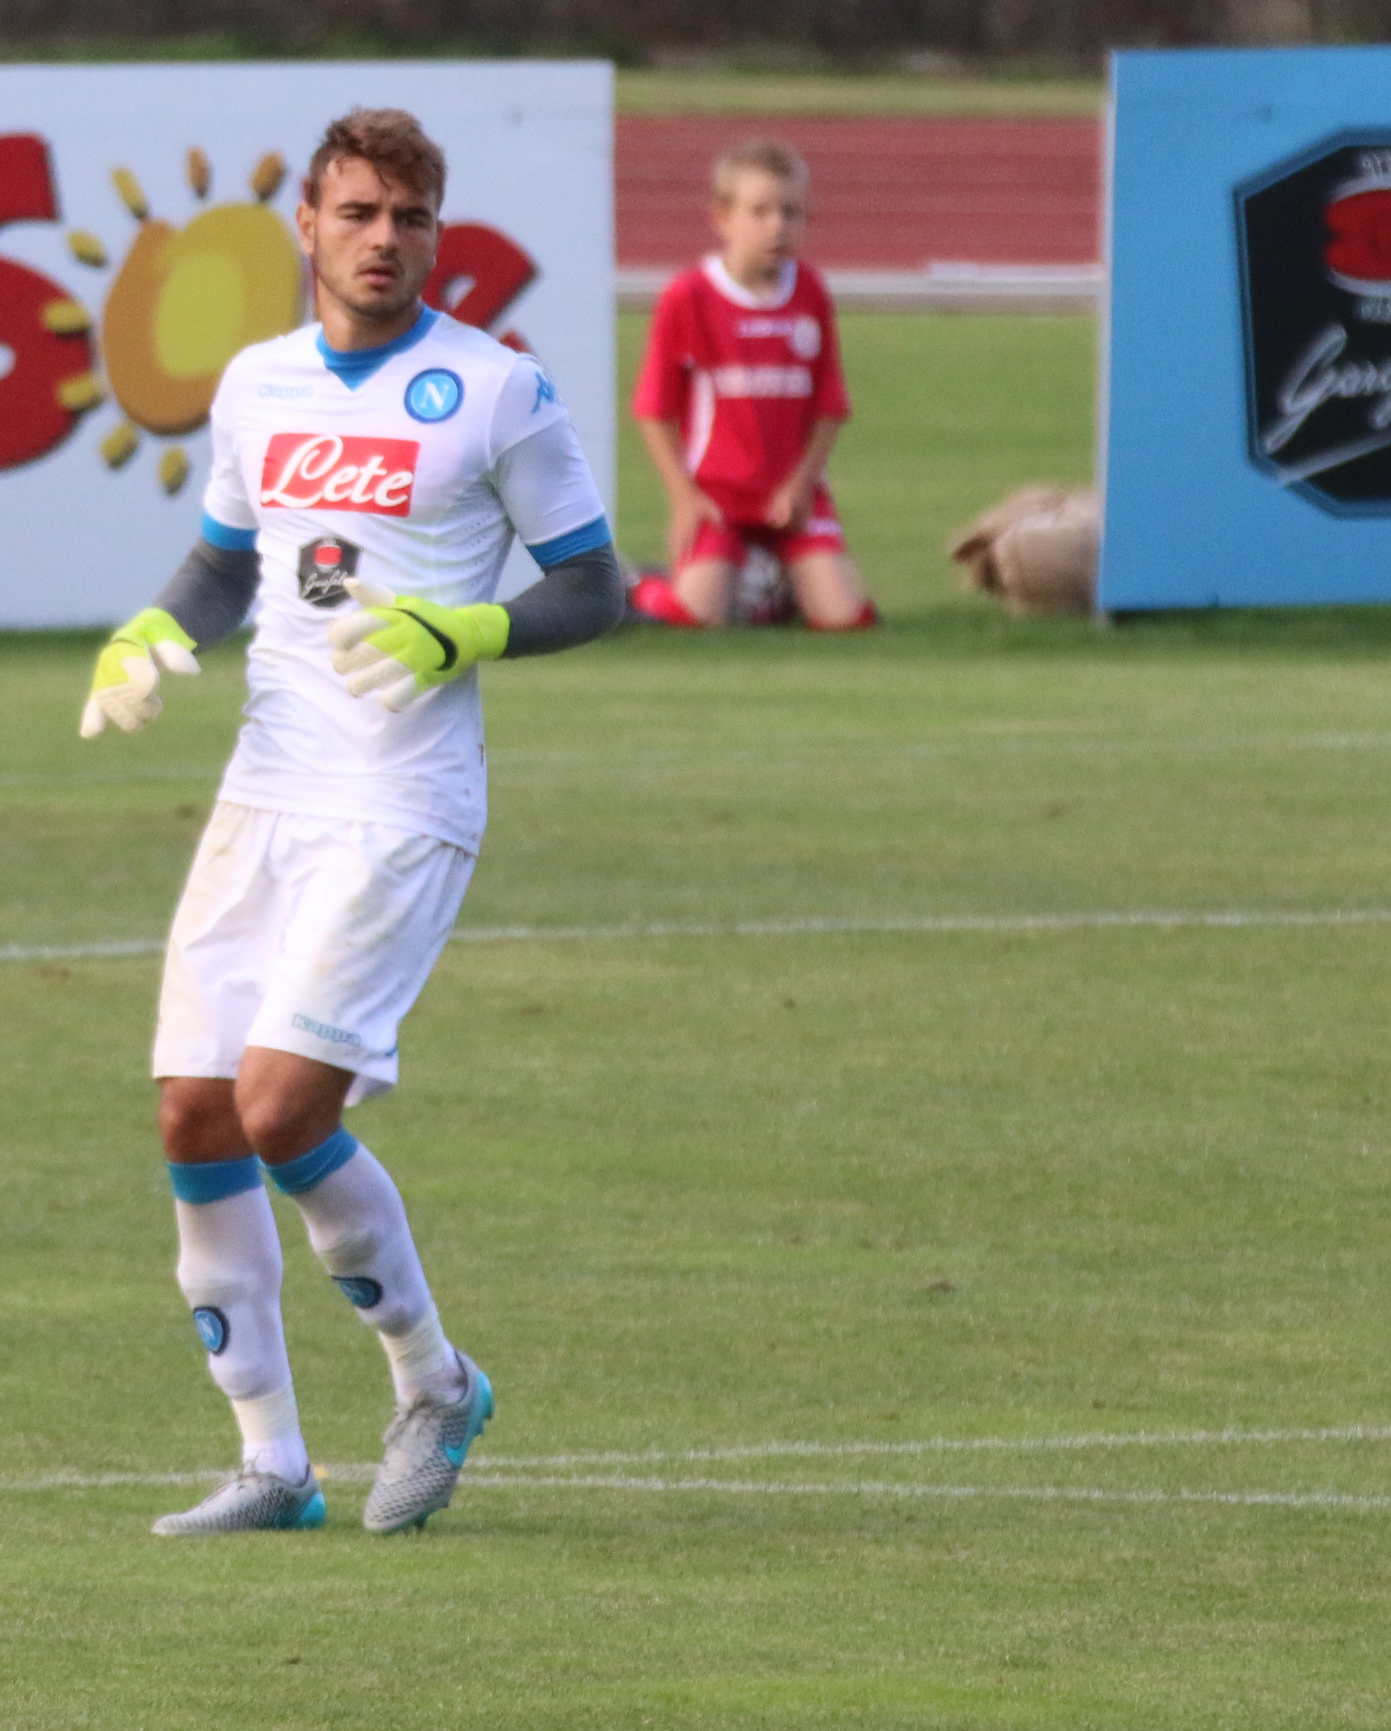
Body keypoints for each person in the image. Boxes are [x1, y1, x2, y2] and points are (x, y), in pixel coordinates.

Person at [77, 107, 625, 1537]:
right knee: (195, 1111)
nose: (387, 240)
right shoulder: (257, 386)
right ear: (307, 229)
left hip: (400, 800)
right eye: (362, 213)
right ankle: (272, 1464)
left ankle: (433, 1382)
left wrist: (472, 630)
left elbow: (595, 585)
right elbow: (222, 563)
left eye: (413, 217)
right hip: (268, 787)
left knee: (280, 1107)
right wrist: (149, 629)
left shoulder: (498, 392)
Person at [627, 139, 876, 631]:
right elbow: (654, 410)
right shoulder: (688, 296)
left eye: (791, 212)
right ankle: (637, 586)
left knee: (847, 619)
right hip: (718, 497)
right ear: (722, 218)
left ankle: (773, 594)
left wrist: (802, 486)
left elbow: (830, 407)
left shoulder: (809, 292)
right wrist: (684, 497)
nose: (777, 226)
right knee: (695, 618)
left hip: (793, 496)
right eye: (759, 211)